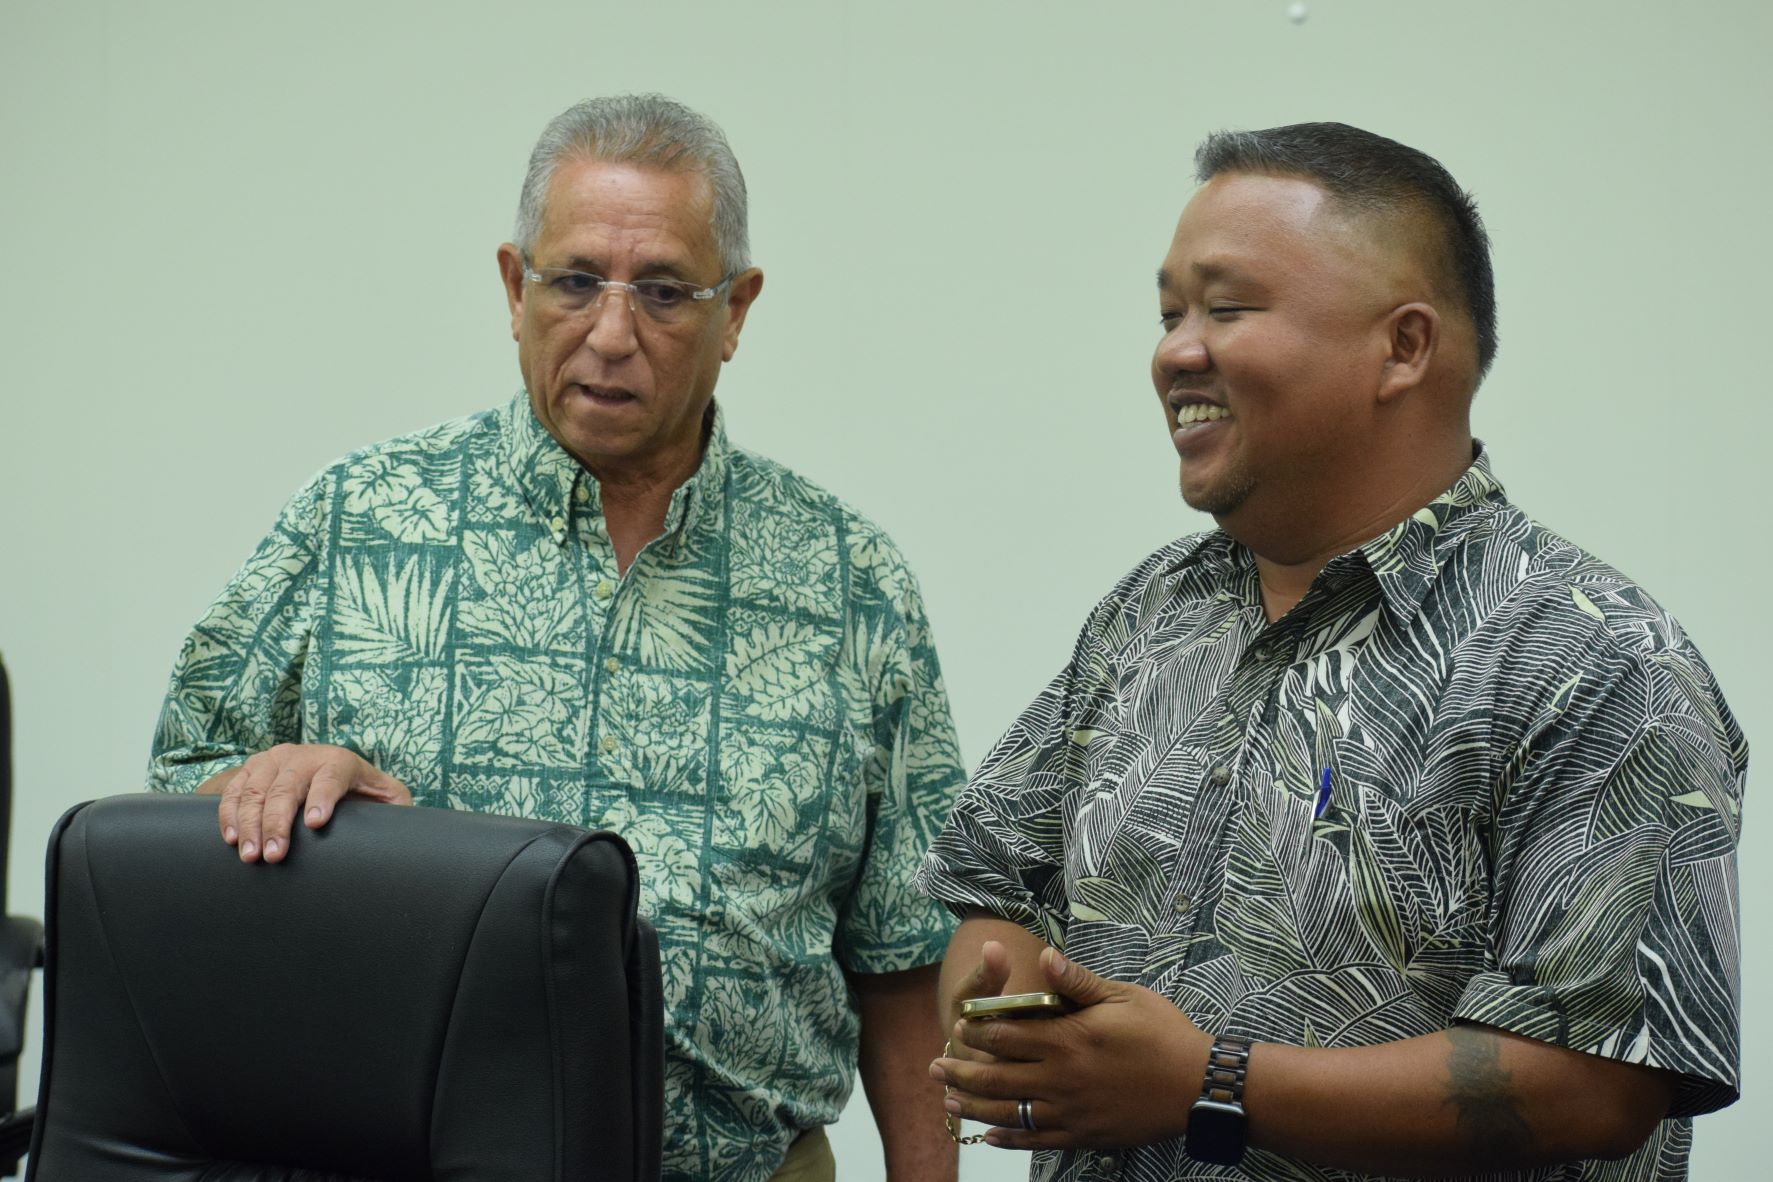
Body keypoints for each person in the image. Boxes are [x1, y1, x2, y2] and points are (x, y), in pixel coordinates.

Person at [149, 94, 963, 1182]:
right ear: (513, 286)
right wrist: (275, 785)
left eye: (666, 292)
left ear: (737, 311)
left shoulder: (853, 581)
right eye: (575, 280)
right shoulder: (358, 523)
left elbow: (904, 970)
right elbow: (173, 819)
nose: (613, 333)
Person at [918, 123, 1744, 1181]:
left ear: (1402, 348)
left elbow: (1600, 1082)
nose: (1175, 350)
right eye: (1169, 312)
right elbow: (995, 883)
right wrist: (1003, 1007)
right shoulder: (1150, 609)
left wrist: (1206, 1085)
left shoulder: (1596, 660)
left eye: (1228, 307)